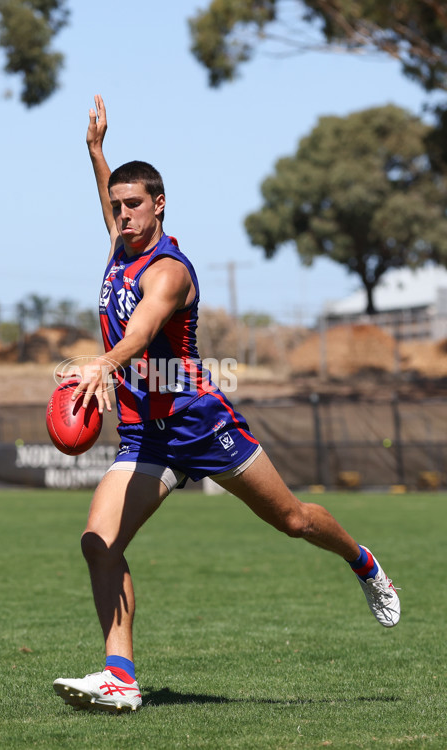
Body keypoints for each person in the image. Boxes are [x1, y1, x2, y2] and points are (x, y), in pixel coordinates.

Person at [53, 95, 400, 714]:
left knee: (293, 519)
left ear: (160, 206)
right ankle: (120, 676)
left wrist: (102, 363)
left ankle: (363, 560)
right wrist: (95, 151)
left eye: (135, 205)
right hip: (144, 434)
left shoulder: (168, 272)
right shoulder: (119, 244)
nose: (123, 215)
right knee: (97, 541)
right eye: (116, 207)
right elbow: (109, 195)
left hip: (198, 422)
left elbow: (140, 334)